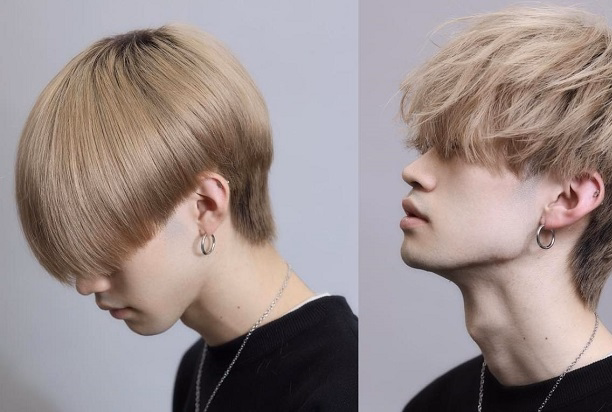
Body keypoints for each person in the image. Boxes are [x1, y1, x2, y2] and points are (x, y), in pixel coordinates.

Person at [15, 25, 357, 411]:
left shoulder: (340, 385)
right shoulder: (197, 367)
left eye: (105, 244)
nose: (86, 283)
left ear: (206, 206)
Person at [398, 6, 612, 412]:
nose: (414, 172)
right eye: (426, 148)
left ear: (568, 199)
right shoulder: (435, 403)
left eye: (456, 150)